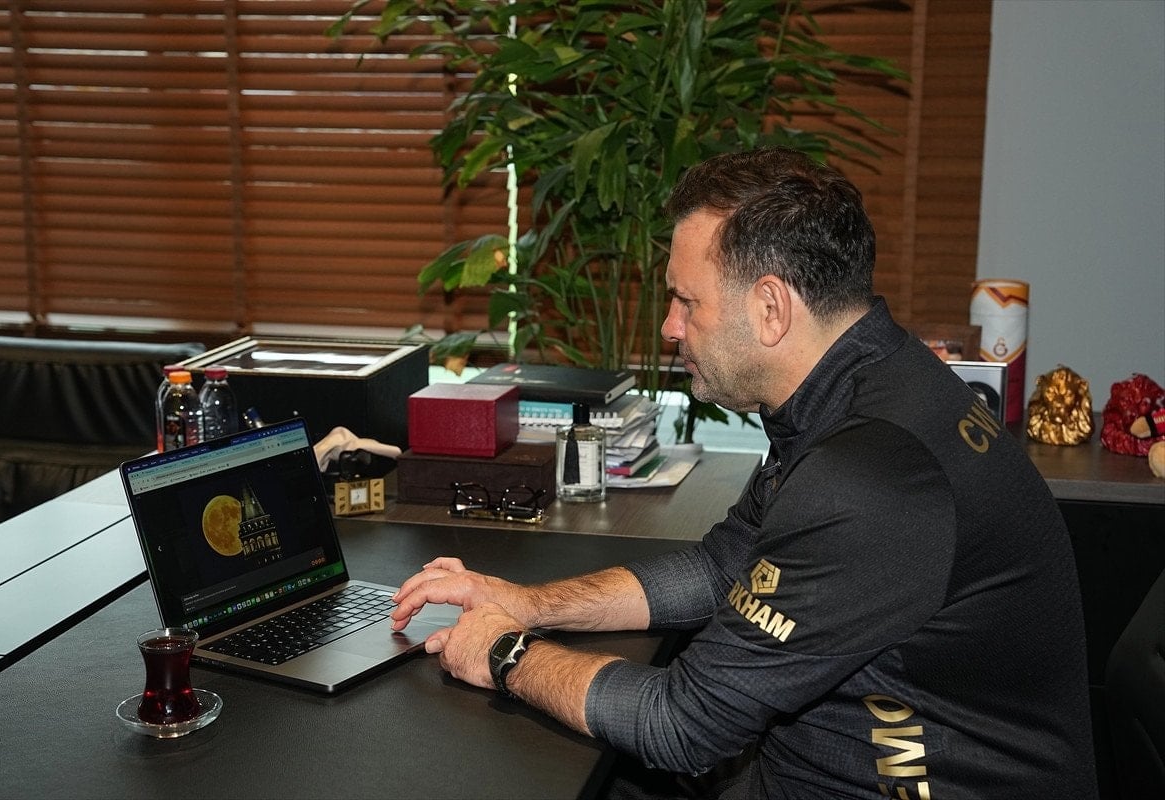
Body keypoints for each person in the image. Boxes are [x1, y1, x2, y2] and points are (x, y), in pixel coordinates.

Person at [390, 147, 1098, 798]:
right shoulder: (866, 388)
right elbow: (720, 568)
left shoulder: (870, 476)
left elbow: (682, 724)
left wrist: (507, 653)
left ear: (769, 308)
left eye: (687, 301)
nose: (670, 327)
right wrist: (526, 602)